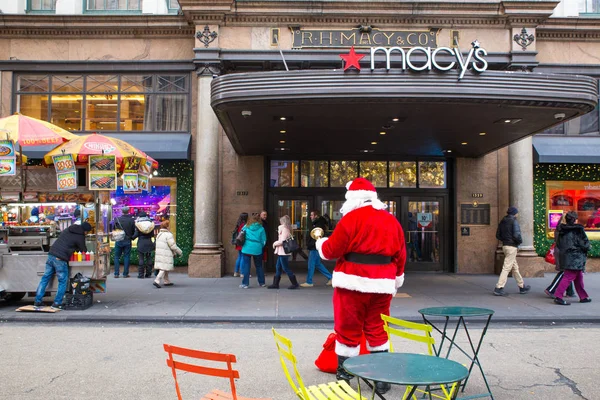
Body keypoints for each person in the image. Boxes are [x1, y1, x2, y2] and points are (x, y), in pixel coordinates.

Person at [315, 178, 406, 394]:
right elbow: (401, 254)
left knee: (347, 328)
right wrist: (398, 277)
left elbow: (330, 251)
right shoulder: (391, 221)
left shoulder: (350, 219)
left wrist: (320, 242)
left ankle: (344, 376)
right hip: (383, 284)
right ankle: (382, 379)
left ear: (352, 199)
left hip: (352, 283)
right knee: (378, 328)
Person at [33, 222, 93, 309]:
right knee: (62, 281)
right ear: (85, 231)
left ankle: (37, 301)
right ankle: (57, 303)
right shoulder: (80, 236)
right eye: (87, 232)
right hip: (60, 259)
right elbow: (83, 249)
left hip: (51, 254)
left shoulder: (68, 229)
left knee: (45, 278)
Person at [553, 211, 592, 305]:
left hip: (566, 255)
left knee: (578, 277)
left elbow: (558, 243)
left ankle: (583, 296)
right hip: (576, 257)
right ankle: (558, 296)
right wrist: (588, 247)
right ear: (575, 220)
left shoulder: (561, 230)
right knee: (568, 277)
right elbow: (584, 243)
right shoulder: (578, 230)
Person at [493, 207, 531, 296]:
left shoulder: (503, 221)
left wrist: (505, 240)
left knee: (514, 267)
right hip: (512, 247)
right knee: (506, 267)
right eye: (517, 213)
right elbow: (517, 235)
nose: (517, 214)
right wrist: (519, 242)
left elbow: (498, 235)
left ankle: (522, 286)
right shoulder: (514, 221)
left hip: (505, 246)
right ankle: (498, 287)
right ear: (514, 213)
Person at [545, 213, 575, 298]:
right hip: (563, 251)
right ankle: (551, 289)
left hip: (560, 250)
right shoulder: (564, 229)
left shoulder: (559, 227)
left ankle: (570, 291)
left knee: (568, 271)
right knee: (564, 271)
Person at [300, 209, 332, 287]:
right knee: (317, 264)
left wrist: (310, 245)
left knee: (311, 264)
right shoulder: (318, 223)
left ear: (316, 216)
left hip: (314, 247)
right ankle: (331, 278)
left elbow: (316, 237)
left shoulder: (318, 225)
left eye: (311, 215)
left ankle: (309, 281)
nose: (310, 216)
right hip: (315, 246)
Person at [268, 215, 299, 289]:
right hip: (282, 252)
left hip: (283, 252)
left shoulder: (284, 229)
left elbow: (282, 241)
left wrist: (274, 243)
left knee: (285, 268)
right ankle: (275, 284)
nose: (280, 222)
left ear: (283, 221)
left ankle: (294, 283)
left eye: (281, 221)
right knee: (278, 267)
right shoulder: (286, 228)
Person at [239, 213, 267, 289]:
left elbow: (241, 235)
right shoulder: (261, 228)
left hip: (247, 248)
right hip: (257, 249)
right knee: (259, 266)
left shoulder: (246, 226)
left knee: (246, 266)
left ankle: (245, 284)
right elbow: (264, 240)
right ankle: (262, 283)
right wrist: (260, 246)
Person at [153, 220, 182, 288]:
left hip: (160, 253)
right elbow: (173, 246)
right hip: (166, 253)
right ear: (167, 226)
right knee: (163, 268)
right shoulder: (168, 235)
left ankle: (166, 281)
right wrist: (179, 252)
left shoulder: (159, 234)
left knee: (165, 267)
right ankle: (157, 280)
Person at [113, 206, 136, 278]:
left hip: (119, 239)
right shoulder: (131, 220)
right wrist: (131, 237)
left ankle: (116, 273)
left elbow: (114, 228)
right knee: (127, 257)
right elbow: (133, 230)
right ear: (128, 211)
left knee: (116, 257)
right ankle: (125, 274)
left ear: (122, 211)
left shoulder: (117, 219)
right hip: (127, 240)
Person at [134, 211, 155, 279]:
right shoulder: (151, 224)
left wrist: (131, 237)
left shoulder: (138, 224)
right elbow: (152, 235)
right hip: (149, 242)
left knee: (141, 259)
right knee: (149, 258)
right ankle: (148, 274)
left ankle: (141, 274)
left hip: (141, 243)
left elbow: (136, 234)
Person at [232, 212, 248, 277]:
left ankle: (236, 272)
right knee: (242, 257)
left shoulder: (238, 224)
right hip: (242, 242)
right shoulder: (244, 225)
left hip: (238, 242)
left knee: (239, 257)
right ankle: (242, 272)